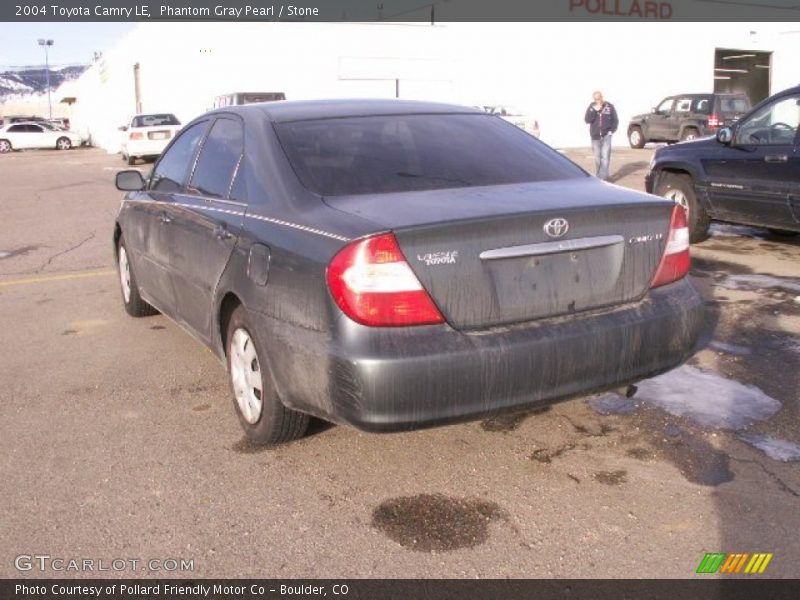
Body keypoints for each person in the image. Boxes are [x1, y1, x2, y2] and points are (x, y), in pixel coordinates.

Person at [584, 91, 618, 181]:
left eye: (599, 98)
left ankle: (604, 178)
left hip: (606, 135)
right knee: (597, 158)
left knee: (605, 156)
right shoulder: (591, 107)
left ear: (602, 97)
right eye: (595, 99)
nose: (597, 100)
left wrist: (612, 130)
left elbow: (615, 119)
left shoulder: (609, 106)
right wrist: (594, 111)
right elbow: (587, 120)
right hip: (595, 136)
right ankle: (599, 176)